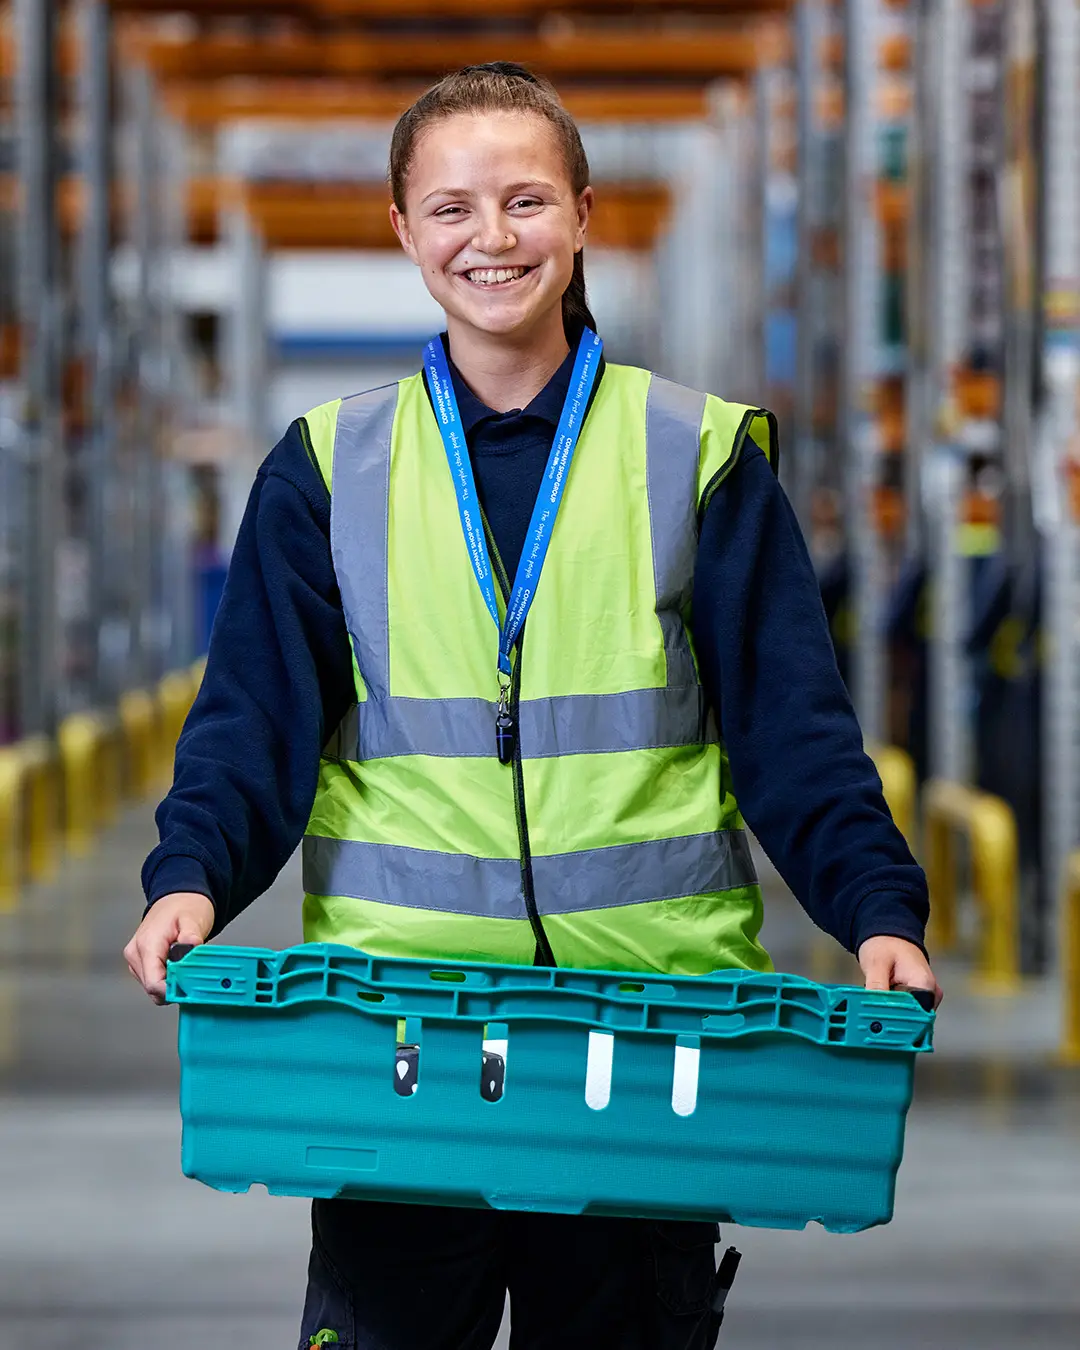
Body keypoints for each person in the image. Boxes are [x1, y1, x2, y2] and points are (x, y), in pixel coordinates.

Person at [124, 62, 942, 1350]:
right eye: (450, 209)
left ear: (580, 217)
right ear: (403, 230)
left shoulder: (700, 456)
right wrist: (191, 878)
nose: (489, 239)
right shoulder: (329, 468)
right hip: (400, 1041)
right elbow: (250, 724)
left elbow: (794, 732)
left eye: (523, 202)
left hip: (643, 1038)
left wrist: (875, 908)